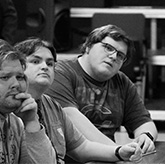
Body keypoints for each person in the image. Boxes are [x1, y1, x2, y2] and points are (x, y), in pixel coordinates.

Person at [14, 37, 143, 164]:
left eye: (50, 63)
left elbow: (82, 147)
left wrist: (119, 152)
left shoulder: (52, 105)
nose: (45, 67)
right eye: (36, 61)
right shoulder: (9, 108)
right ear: (18, 68)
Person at [46, 24, 158, 155]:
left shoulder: (122, 82)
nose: (113, 56)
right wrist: (117, 152)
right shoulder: (60, 73)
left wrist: (146, 137)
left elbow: (144, 122)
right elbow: (73, 121)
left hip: (108, 158)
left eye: (120, 55)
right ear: (88, 46)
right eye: (108, 48)